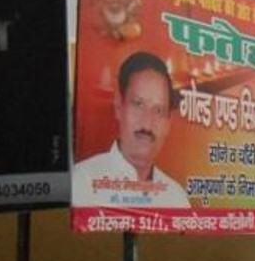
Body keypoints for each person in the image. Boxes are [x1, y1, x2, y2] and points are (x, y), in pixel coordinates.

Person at [72, 51, 190, 208]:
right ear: (119, 106)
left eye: (159, 110)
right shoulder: (81, 182)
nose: (147, 124)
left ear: (168, 123)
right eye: (138, 104)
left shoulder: (176, 199)